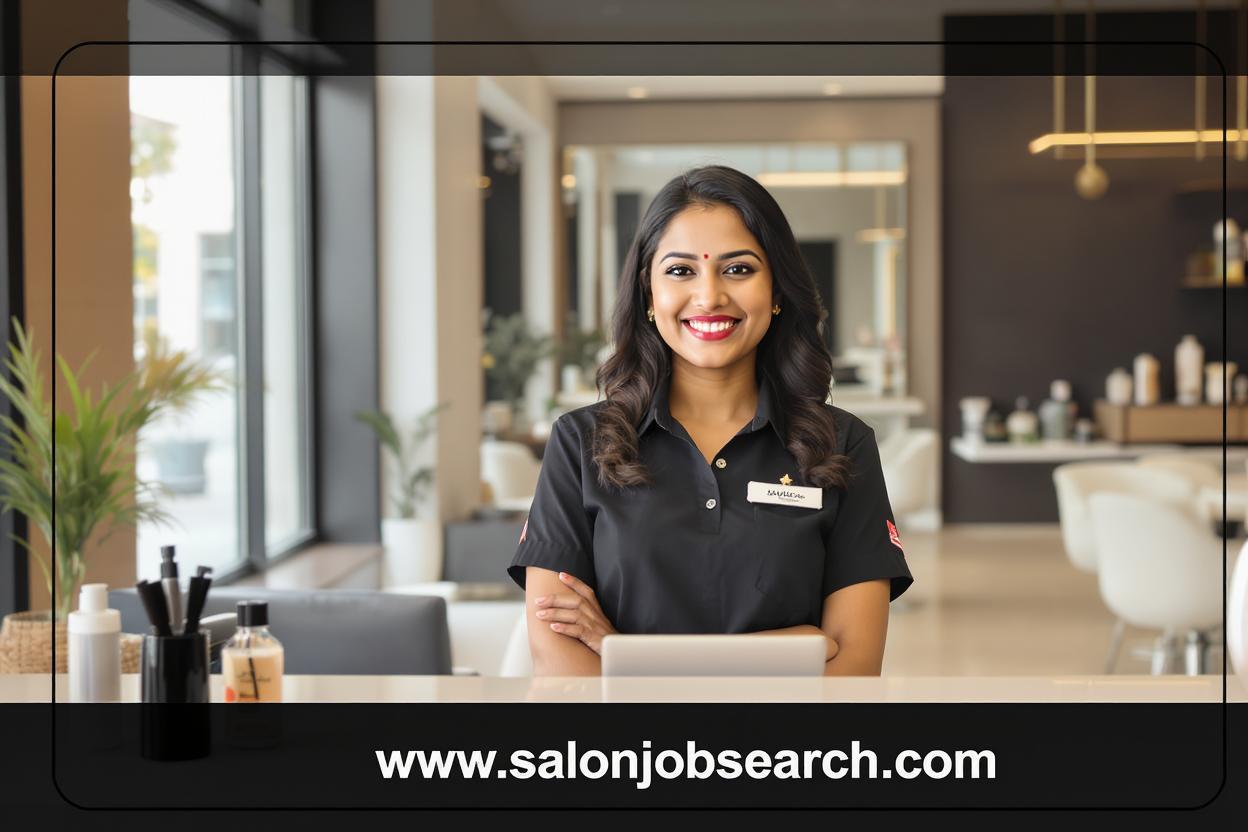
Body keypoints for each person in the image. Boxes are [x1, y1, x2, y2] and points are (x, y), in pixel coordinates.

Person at [507, 165, 912, 676]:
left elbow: (853, 664)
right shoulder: (580, 443)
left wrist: (622, 653)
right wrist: (789, 650)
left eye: (739, 269)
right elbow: (559, 658)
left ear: (778, 291)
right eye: (680, 271)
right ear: (648, 295)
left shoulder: (843, 443)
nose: (709, 296)